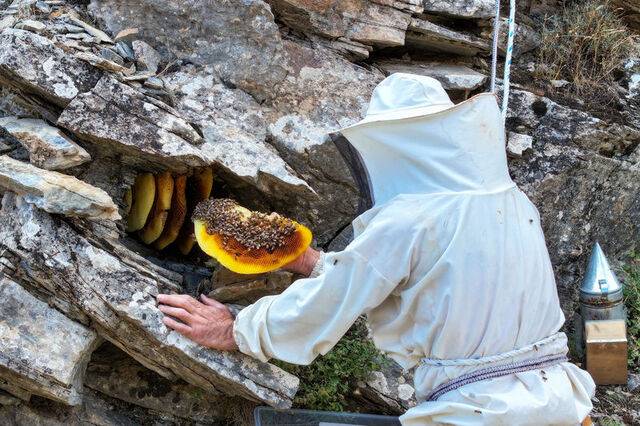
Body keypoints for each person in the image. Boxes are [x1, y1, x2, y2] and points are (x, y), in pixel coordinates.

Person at [157, 73, 595, 425]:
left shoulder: (409, 218)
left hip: (478, 412)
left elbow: (332, 302)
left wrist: (236, 330)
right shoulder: (513, 202)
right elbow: (431, 284)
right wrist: (311, 261)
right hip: (563, 403)